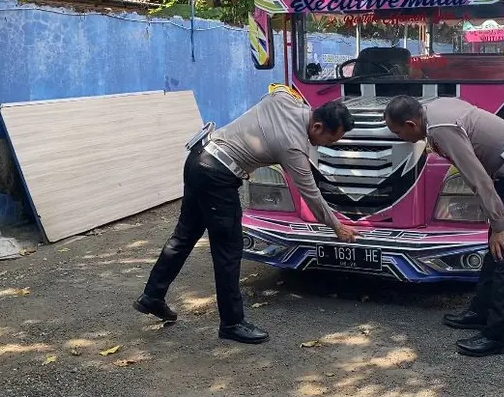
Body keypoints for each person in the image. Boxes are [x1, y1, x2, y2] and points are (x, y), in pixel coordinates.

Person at [134, 87, 359, 344]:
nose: (328, 145)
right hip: (218, 176)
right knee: (228, 249)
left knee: (184, 236)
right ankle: (232, 323)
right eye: (330, 140)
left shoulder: (284, 100)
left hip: (199, 158)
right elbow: (311, 194)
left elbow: (275, 91)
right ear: (317, 127)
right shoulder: (293, 146)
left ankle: (152, 295)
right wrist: (336, 227)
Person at [383, 95, 504, 357]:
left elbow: (479, 180)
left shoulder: (441, 129)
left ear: (411, 123)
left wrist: (498, 224)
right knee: (493, 249)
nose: (399, 137)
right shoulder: (432, 109)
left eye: (398, 131)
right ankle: (479, 312)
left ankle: (499, 336)